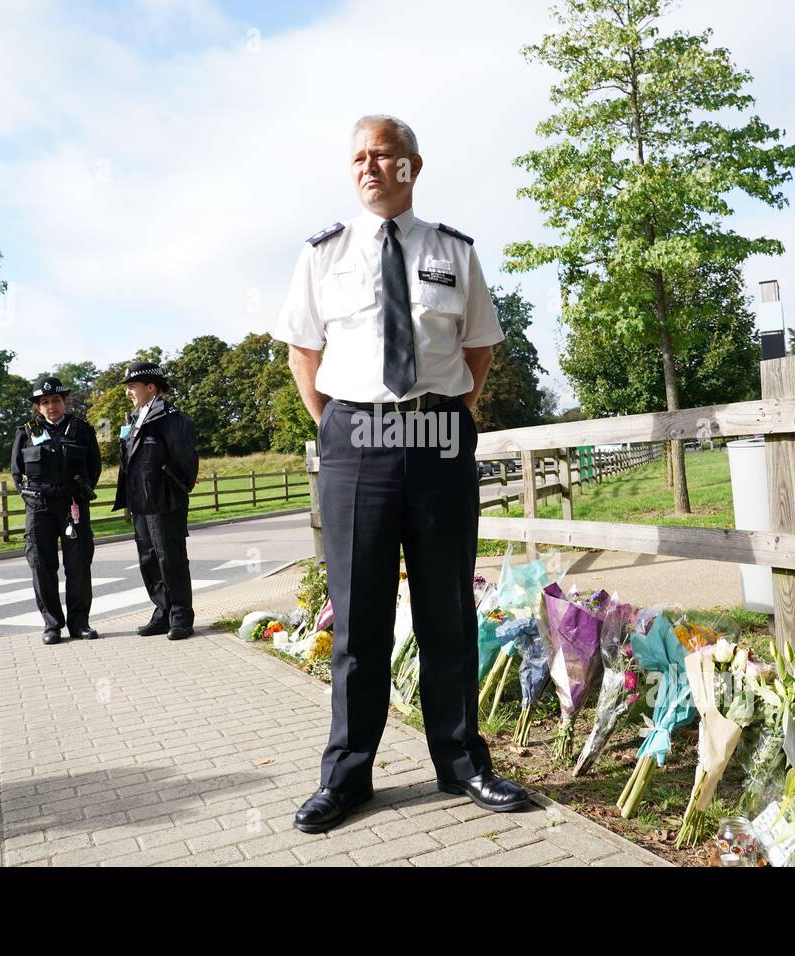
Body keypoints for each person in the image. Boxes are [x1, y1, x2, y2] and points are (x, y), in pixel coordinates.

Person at [274, 114, 530, 834]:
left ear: (414, 165)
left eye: (384, 155)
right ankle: (348, 777)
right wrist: (338, 422)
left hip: (439, 436)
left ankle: (462, 763)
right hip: (358, 437)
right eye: (358, 157)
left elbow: (478, 346)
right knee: (359, 619)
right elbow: (304, 352)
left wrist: (452, 413)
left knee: (448, 605)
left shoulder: (454, 251)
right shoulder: (323, 255)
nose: (370, 167)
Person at [10, 376, 102, 646]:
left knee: (78, 566)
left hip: (73, 506)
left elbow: (93, 467)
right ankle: (52, 625)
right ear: (38, 406)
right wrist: (31, 498)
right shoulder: (26, 432)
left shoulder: (82, 429)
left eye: (56, 401)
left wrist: (79, 494)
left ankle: (79, 623)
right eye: (45, 402)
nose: (52, 406)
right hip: (39, 508)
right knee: (41, 566)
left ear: (65, 402)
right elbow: (17, 472)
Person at [112, 362, 199, 641]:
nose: (129, 393)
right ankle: (162, 612)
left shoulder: (171, 417)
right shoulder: (135, 417)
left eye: (132, 387)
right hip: (140, 501)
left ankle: (181, 616)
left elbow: (186, 459)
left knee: (170, 558)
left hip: (164, 499)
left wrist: (177, 490)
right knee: (148, 559)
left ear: (151, 387)